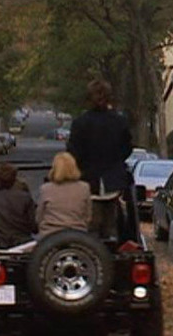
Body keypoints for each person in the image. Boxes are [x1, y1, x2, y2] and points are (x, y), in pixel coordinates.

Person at [67, 80, 133, 238]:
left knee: (91, 228)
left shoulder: (80, 123)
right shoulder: (119, 122)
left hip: (88, 182)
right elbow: (127, 148)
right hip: (114, 181)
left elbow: (73, 153)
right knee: (112, 227)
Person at [37, 152, 92, 237]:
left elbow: (39, 217)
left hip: (49, 236)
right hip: (78, 234)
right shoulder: (84, 188)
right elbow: (88, 216)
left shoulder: (45, 189)